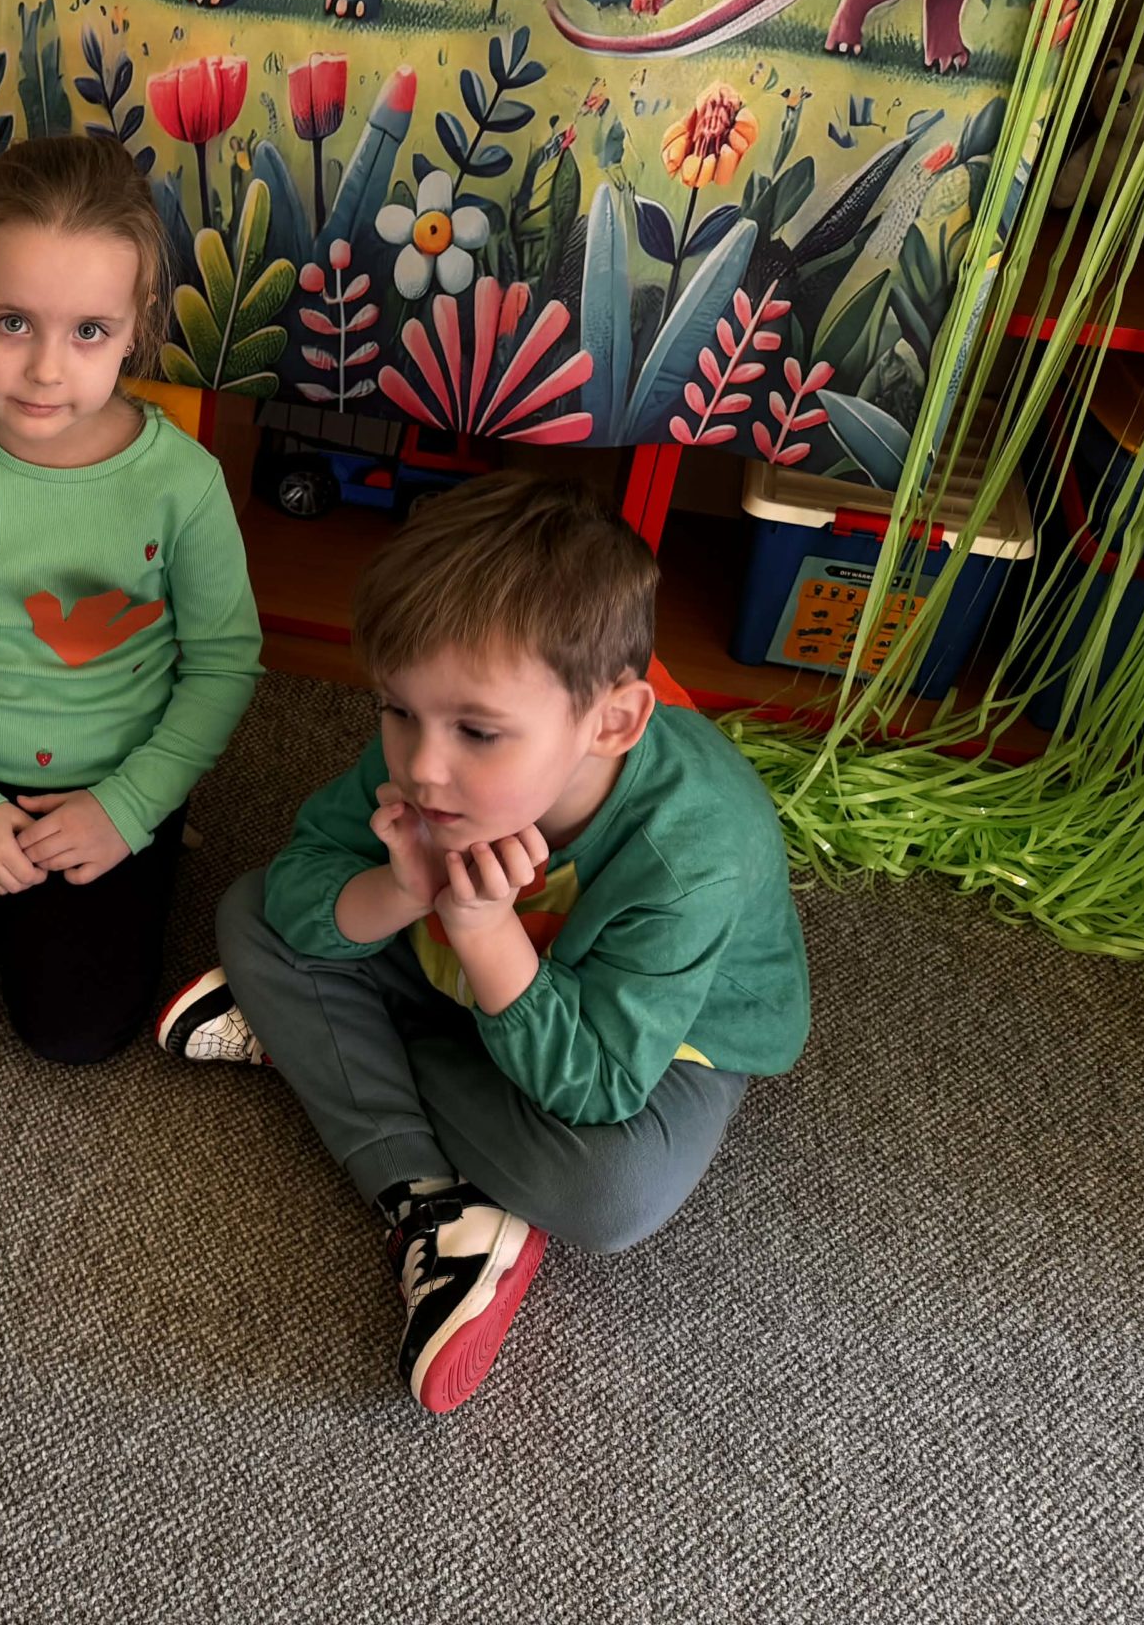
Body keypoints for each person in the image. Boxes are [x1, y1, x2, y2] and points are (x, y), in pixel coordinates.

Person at [161, 471, 809, 1412]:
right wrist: (401, 888)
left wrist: (480, 928)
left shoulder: (694, 850)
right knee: (256, 910)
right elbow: (299, 887)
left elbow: (596, 1086)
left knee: (611, 1193)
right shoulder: (437, 755)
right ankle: (433, 1201)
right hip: (463, 972)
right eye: (396, 710)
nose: (424, 766)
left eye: (477, 731)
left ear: (612, 722)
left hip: (647, 1044)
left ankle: (339, 1047)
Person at [0, 136, 263, 1062]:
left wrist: (131, 807)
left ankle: (155, 841)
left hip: (113, 779)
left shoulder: (183, 482)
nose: (46, 370)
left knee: (73, 1029)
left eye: (88, 332)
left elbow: (224, 665)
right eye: (13, 323)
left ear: (136, 326)